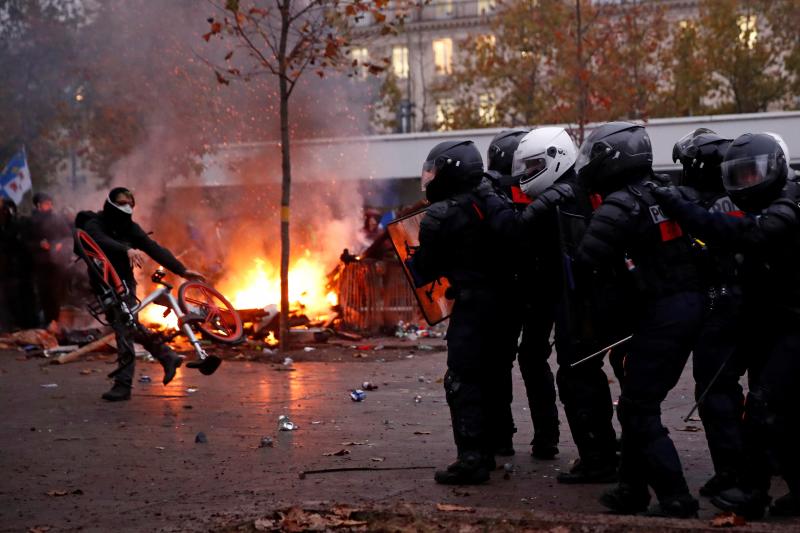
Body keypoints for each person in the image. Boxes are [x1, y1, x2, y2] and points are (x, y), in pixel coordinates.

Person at [652, 132, 800, 518]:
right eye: (740, 175)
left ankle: (752, 493)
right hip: (777, 320)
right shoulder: (767, 203)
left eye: (754, 174)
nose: (747, 184)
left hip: (793, 324)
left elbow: (749, 235)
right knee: (777, 410)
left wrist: (684, 212)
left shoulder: (787, 204)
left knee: (765, 404)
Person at [477, 126, 621, 482]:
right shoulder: (578, 190)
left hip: (568, 298)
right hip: (565, 295)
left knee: (575, 376)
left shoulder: (559, 194)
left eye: (532, 166)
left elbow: (514, 228)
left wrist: (486, 194)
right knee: (571, 371)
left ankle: (596, 457)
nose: (525, 175)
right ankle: (597, 451)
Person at [575, 122, 703, 517]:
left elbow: (586, 262)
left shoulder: (619, 203)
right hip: (686, 307)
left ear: (612, 158)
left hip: (660, 313)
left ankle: (676, 496)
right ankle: (631, 490)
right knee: (635, 400)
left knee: (638, 407)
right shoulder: (668, 192)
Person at [406, 140, 516, 484]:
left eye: (435, 169)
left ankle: (472, 459)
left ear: (450, 171)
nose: (430, 177)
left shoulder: (441, 215)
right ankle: (498, 443)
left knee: (463, 379)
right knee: (496, 372)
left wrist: (413, 260)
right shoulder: (494, 199)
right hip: (508, 303)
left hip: (473, 306)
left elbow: (426, 268)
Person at [77, 187, 204, 402]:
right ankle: (167, 356)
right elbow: (98, 239)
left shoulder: (131, 228)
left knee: (124, 329)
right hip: (103, 285)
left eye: (130, 203)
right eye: (122, 202)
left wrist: (181, 270)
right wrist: (125, 249)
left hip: (124, 284)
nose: (127, 207)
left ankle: (123, 385)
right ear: (110, 203)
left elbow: (153, 248)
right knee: (128, 327)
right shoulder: (94, 223)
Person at [671, 128, 745, 498]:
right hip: (756, 308)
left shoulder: (711, 209)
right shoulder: (744, 198)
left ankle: (733, 473)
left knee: (716, 390)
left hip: (725, 307)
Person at [484, 128, 560, 459]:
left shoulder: (493, 195)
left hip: (508, 289)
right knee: (534, 360)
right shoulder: (546, 189)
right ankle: (547, 436)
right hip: (541, 289)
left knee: (500, 362)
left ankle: (501, 437)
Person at [28, 192, 72, 328]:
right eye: (46, 203)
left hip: (57, 263)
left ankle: (57, 322)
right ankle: (47, 322)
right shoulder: (30, 221)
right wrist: (39, 245)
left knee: (56, 294)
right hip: (40, 264)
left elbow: (68, 236)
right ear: (38, 205)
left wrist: (60, 244)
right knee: (43, 294)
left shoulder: (57, 219)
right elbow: (25, 242)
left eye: (50, 203)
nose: (49, 206)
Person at [0, 198, 37, 331]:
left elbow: (22, 244)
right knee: (9, 298)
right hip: (9, 269)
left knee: (24, 297)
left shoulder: (20, 224)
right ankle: (11, 325)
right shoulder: (5, 224)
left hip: (21, 268)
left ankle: (28, 325)